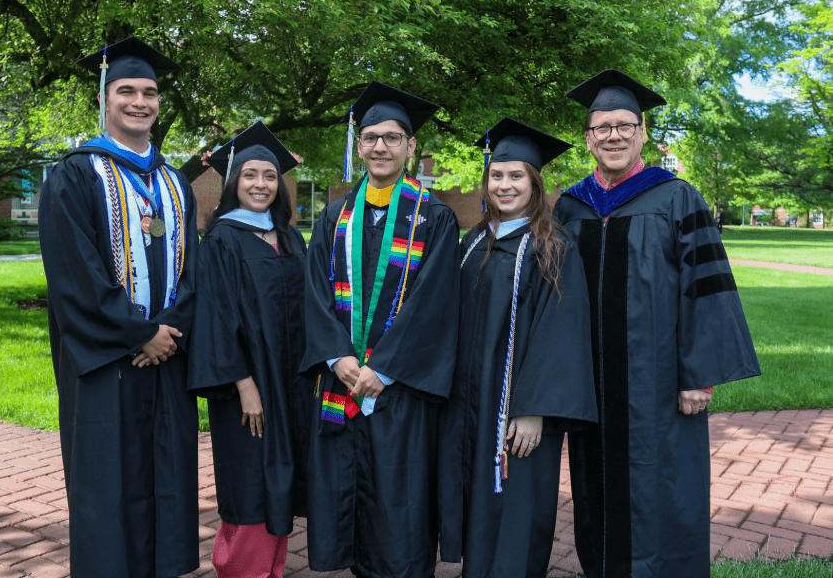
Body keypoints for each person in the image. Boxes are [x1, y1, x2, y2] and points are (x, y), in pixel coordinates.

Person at [553, 69, 761, 578]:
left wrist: (699, 375)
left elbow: (707, 290)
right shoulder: (569, 206)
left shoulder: (676, 197)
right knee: (594, 482)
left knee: (662, 483)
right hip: (590, 381)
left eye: (625, 125)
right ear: (588, 139)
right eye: (602, 128)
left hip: (659, 380)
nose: (614, 136)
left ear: (643, 133)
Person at [38, 36, 199, 577]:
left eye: (149, 92)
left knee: (166, 480)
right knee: (108, 484)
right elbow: (74, 274)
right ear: (104, 100)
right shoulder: (75, 175)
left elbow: (192, 271)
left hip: (166, 361)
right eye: (125, 90)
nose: (139, 101)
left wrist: (170, 330)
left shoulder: (175, 183)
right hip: (109, 362)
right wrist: (139, 334)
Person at [300, 81, 460, 578]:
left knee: (398, 505)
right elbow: (315, 295)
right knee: (344, 497)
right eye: (370, 138)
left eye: (392, 138)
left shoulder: (433, 218)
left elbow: (434, 305)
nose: (379, 147)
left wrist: (383, 368)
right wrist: (339, 358)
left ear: (411, 147)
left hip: (399, 391)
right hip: (342, 382)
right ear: (359, 145)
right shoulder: (334, 217)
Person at [438, 117, 598, 578]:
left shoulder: (553, 245)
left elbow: (561, 333)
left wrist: (533, 410)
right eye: (497, 176)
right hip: (470, 402)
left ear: (534, 182)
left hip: (517, 409)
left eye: (516, 176)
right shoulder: (474, 241)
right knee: (477, 502)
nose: (505, 186)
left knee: (518, 508)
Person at [188, 122, 310, 578]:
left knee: (281, 484)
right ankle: (239, 570)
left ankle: (271, 571)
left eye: (270, 176)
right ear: (233, 181)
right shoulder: (221, 239)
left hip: (290, 385)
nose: (260, 185)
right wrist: (244, 385)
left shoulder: (290, 237)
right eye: (250, 175)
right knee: (249, 486)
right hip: (248, 390)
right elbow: (215, 319)